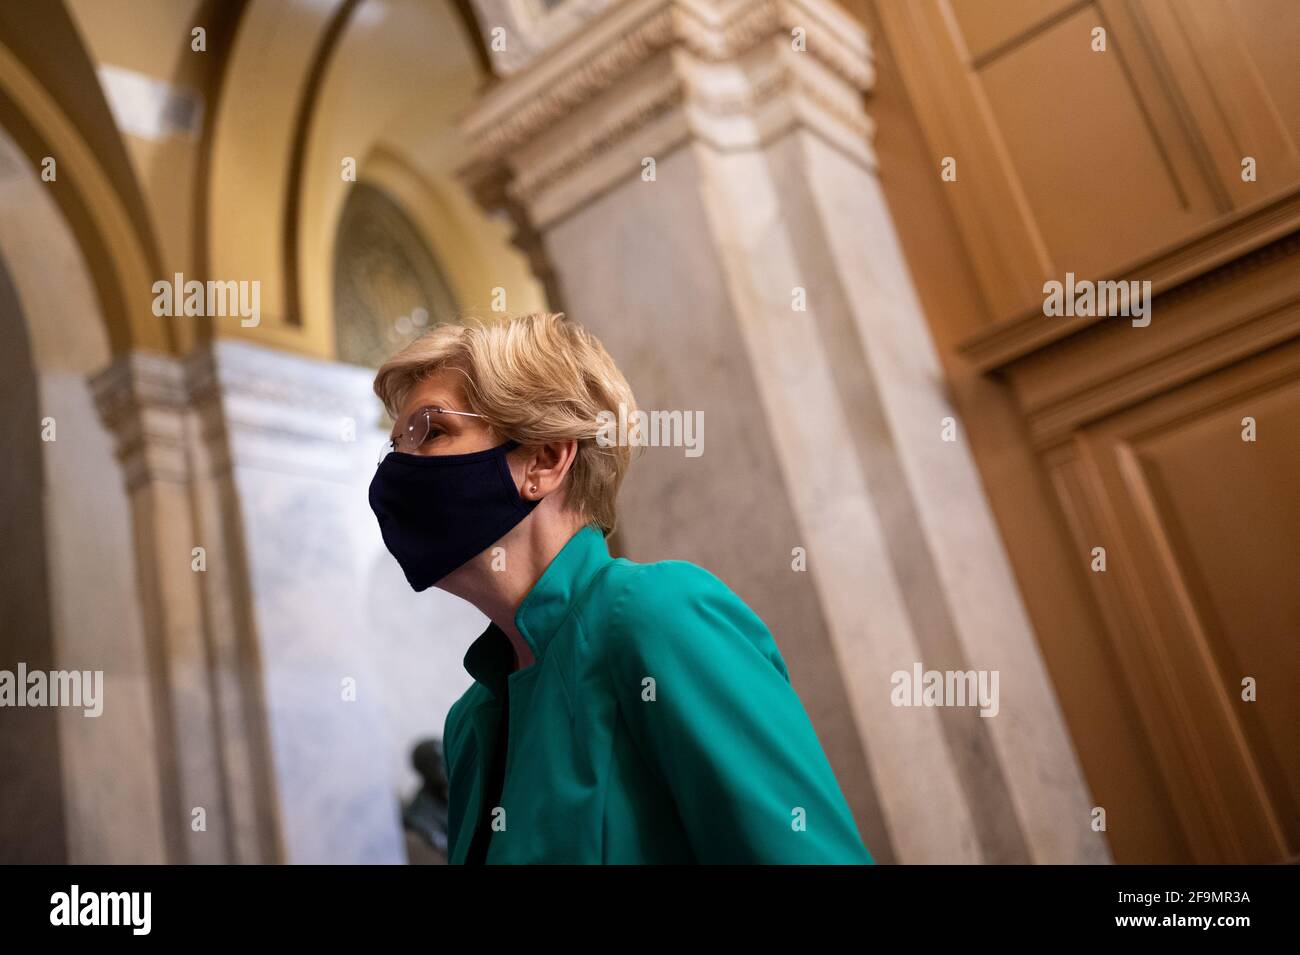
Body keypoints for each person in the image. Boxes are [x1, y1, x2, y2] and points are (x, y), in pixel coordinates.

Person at [368, 311, 873, 864]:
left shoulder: (658, 615)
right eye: (396, 445)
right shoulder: (472, 720)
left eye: (430, 431)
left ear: (544, 457)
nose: (395, 472)